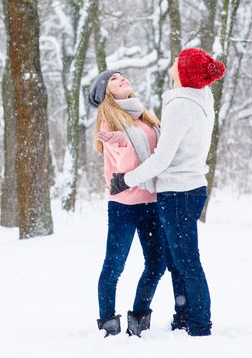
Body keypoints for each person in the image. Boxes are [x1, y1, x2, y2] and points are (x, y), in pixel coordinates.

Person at [109, 48, 226, 337]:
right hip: (192, 188)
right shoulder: (200, 98)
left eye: (178, 61)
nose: (173, 62)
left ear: (184, 73)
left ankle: (199, 325)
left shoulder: (180, 105)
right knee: (178, 261)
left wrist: (128, 179)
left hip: (177, 192)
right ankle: (184, 317)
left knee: (187, 263)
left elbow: (162, 158)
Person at [89, 70, 184, 337]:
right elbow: (125, 169)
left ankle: (139, 318)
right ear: (106, 92)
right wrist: (121, 143)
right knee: (114, 266)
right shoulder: (109, 121)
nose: (121, 79)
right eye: (113, 79)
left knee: (157, 263)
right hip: (124, 205)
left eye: (122, 76)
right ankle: (108, 324)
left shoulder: (145, 115)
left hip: (152, 201)